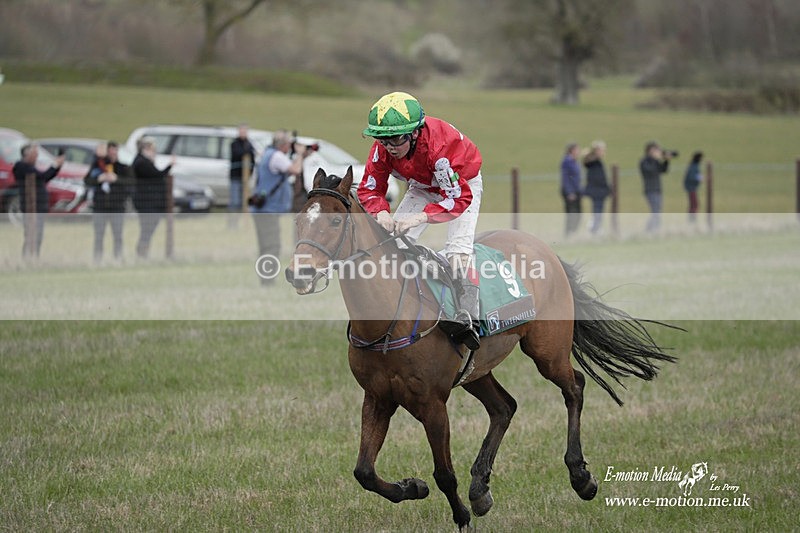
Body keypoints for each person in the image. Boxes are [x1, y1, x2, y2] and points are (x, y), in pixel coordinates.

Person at [358, 91, 483, 350]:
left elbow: (457, 198)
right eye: (382, 139)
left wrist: (419, 217)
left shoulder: (438, 150)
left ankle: (469, 317)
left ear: (414, 133)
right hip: (423, 184)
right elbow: (370, 189)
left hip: (462, 185)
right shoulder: (382, 150)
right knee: (393, 245)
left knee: (457, 250)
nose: (389, 146)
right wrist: (381, 212)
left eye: (395, 139)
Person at [250, 129, 307, 285]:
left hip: (263, 209)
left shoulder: (267, 154)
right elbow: (296, 170)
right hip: (268, 210)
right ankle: (268, 281)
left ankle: (265, 279)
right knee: (272, 246)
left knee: (266, 246)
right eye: (288, 144)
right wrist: (300, 155)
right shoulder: (276, 156)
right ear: (283, 145)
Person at [13, 143, 65, 258]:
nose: (37, 156)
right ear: (27, 154)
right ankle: (28, 258)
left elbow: (46, 177)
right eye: (35, 153)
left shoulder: (30, 168)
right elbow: (42, 176)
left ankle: (34, 257)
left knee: (38, 235)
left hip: (39, 206)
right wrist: (54, 164)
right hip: (30, 207)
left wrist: (57, 166)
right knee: (31, 235)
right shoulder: (21, 166)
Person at [84, 141, 131, 263]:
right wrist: (99, 179)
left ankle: (118, 258)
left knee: (118, 235)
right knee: (99, 235)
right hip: (100, 206)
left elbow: (131, 183)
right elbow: (87, 180)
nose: (113, 154)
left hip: (117, 206)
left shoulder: (123, 168)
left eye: (115, 151)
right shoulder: (98, 166)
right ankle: (97, 260)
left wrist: (116, 179)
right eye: (110, 151)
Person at [133, 137, 174, 258]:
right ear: (145, 149)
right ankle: (142, 253)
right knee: (147, 229)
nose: (154, 152)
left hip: (152, 204)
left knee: (148, 230)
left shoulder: (146, 162)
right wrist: (169, 166)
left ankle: (144, 252)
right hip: (147, 204)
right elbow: (157, 175)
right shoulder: (141, 163)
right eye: (152, 149)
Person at [639, 141, 674, 233]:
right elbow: (650, 170)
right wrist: (655, 159)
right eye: (656, 150)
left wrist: (666, 160)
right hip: (650, 190)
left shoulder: (655, 161)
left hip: (657, 189)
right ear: (650, 150)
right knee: (655, 211)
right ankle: (651, 230)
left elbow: (663, 170)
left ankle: (653, 230)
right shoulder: (644, 161)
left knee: (658, 210)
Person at [229, 123, 255, 228]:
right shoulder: (235, 144)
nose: (243, 133)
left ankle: (242, 223)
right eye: (241, 131)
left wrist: (250, 173)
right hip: (236, 177)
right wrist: (246, 152)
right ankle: (232, 224)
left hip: (245, 178)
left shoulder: (249, 144)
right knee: (235, 202)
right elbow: (238, 153)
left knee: (244, 202)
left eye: (244, 131)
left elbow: (252, 157)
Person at [582, 140, 611, 235]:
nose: (603, 152)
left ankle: (596, 229)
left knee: (599, 213)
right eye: (601, 150)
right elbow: (587, 162)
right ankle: (594, 229)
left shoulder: (598, 163)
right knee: (597, 212)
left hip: (601, 192)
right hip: (596, 192)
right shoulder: (593, 162)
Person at [560, 142, 582, 237]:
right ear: (572, 150)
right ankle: (568, 234)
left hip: (576, 192)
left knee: (578, 214)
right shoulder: (567, 161)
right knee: (571, 213)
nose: (578, 152)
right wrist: (569, 192)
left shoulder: (574, 161)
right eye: (577, 149)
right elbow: (565, 178)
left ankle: (573, 232)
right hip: (570, 193)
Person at [684, 151, 703, 223]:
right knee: (694, 204)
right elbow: (691, 177)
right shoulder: (693, 166)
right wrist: (699, 178)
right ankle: (692, 220)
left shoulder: (693, 165)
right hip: (691, 188)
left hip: (692, 187)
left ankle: (692, 220)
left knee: (694, 204)